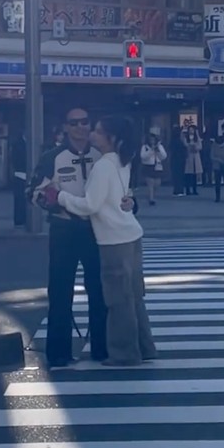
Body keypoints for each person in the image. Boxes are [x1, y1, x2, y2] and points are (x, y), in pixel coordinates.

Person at [57, 116, 157, 368]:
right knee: (134, 296)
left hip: (113, 239)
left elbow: (90, 205)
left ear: (111, 138)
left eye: (99, 132)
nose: (92, 134)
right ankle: (145, 347)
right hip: (131, 234)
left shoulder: (102, 166)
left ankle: (124, 353)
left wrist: (61, 197)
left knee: (118, 299)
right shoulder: (124, 160)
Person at [28, 107, 107, 368]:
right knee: (60, 291)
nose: (80, 127)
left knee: (99, 290)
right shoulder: (53, 157)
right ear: (66, 127)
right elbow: (34, 192)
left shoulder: (102, 156)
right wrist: (55, 203)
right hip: (64, 230)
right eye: (74, 123)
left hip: (96, 229)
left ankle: (102, 348)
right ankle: (59, 352)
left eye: (85, 122)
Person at [140, 131, 167, 206]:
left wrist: (158, 151)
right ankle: (151, 199)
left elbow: (164, 156)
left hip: (158, 166)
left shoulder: (159, 146)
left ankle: (152, 195)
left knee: (157, 183)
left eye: (153, 139)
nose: (152, 141)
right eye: (150, 139)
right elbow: (143, 157)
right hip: (148, 166)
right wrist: (151, 150)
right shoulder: (145, 147)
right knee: (150, 183)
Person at [12, 132, 27, 226]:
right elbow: (16, 158)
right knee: (19, 198)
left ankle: (23, 218)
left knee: (23, 199)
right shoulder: (18, 144)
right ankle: (19, 219)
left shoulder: (25, 143)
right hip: (20, 173)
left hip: (24, 173)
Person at [183, 124, 202, 195]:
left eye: (193, 130)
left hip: (196, 156)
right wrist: (190, 145)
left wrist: (195, 147)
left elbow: (200, 146)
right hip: (189, 156)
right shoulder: (186, 137)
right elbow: (185, 145)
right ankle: (188, 189)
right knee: (188, 174)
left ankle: (194, 189)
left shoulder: (197, 138)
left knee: (195, 174)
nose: (191, 131)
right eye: (190, 130)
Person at [169, 125, 186, 197]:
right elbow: (184, 150)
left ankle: (176, 190)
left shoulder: (172, 140)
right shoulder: (180, 141)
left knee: (175, 175)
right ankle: (180, 190)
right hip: (180, 160)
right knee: (180, 175)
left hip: (173, 159)